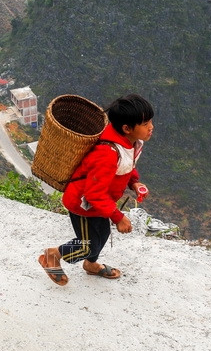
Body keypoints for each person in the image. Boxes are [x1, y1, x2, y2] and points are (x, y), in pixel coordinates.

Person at [38, 94, 154, 286]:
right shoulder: (107, 153)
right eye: (145, 123)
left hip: (101, 204)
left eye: (150, 121)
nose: (151, 127)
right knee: (87, 244)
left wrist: (134, 182)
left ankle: (90, 265)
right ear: (127, 128)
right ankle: (52, 255)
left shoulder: (129, 143)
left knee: (101, 237)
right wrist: (118, 217)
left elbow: (126, 166)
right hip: (83, 204)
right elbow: (93, 193)